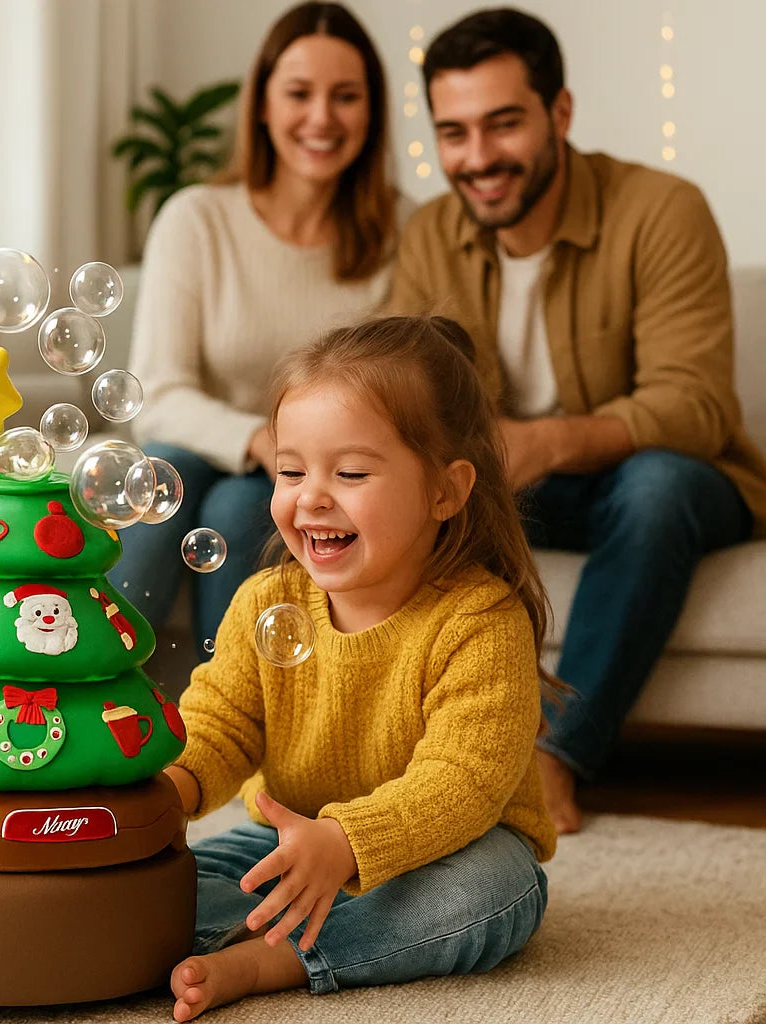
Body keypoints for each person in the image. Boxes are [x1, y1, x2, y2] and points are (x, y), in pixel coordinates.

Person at [390, 7, 766, 834]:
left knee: (659, 485)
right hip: (508, 488)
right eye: (453, 132)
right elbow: (401, 394)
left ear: (560, 114)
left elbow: (698, 403)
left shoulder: (662, 210)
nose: (478, 158)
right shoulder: (429, 235)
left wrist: (550, 440)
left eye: (503, 123)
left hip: (660, 486)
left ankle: (554, 758)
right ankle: (397, 756)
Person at [163, 316, 558, 1021]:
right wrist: (169, 788)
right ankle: (180, 934)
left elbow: (461, 784)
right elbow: (219, 724)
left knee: (497, 894)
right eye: (291, 471)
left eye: (349, 473)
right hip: (294, 837)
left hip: (448, 850)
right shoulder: (268, 599)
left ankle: (273, 961)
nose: (311, 495)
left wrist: (347, 843)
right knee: (161, 883)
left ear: (445, 492)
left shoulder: (479, 620)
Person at [111, 1, 405, 658]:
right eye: (299, 93)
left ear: (373, 113)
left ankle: (232, 735)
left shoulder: (400, 235)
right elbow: (157, 396)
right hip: (202, 458)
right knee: (168, 469)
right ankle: (84, 686)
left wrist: (298, 461)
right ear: (263, 106)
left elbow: (390, 402)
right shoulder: (196, 220)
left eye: (347, 96)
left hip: (321, 473)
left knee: (243, 511)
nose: (322, 117)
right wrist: (259, 440)